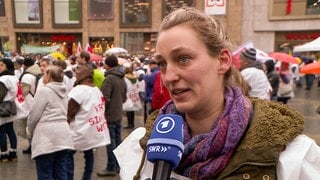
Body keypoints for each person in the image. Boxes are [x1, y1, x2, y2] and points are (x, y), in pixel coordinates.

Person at [113, 8, 320, 179]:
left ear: (223, 61)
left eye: (183, 59)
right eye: (162, 63)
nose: (169, 77)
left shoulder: (292, 155)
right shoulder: (140, 147)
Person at [26, 65, 74, 179]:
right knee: (61, 172)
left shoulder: (44, 91)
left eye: (45, 73)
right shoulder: (64, 91)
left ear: (49, 76)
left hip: (46, 137)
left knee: (45, 173)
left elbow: (34, 115)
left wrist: (29, 130)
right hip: (63, 135)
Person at [67, 64, 110, 180]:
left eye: (78, 71)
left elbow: (70, 112)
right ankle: (87, 177)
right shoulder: (96, 90)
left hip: (79, 130)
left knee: (68, 155)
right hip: (92, 130)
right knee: (89, 154)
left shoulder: (78, 91)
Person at [97, 55, 127, 176]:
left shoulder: (109, 78)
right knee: (118, 140)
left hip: (110, 114)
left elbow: (104, 98)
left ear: (108, 65)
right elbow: (125, 95)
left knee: (111, 142)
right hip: (118, 112)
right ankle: (119, 165)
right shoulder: (121, 77)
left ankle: (111, 167)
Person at [19, 57, 42, 154]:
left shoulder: (27, 76)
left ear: (24, 65)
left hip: (28, 103)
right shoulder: (38, 73)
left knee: (29, 126)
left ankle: (32, 146)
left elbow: (23, 92)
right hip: (37, 101)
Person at [0, 58, 18, 163]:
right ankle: (13, 153)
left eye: (1, 65)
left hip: (2, 107)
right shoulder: (14, 77)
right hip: (11, 106)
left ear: (7, 66)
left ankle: (4, 155)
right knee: (10, 130)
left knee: (1, 131)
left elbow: (0, 95)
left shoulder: (3, 79)